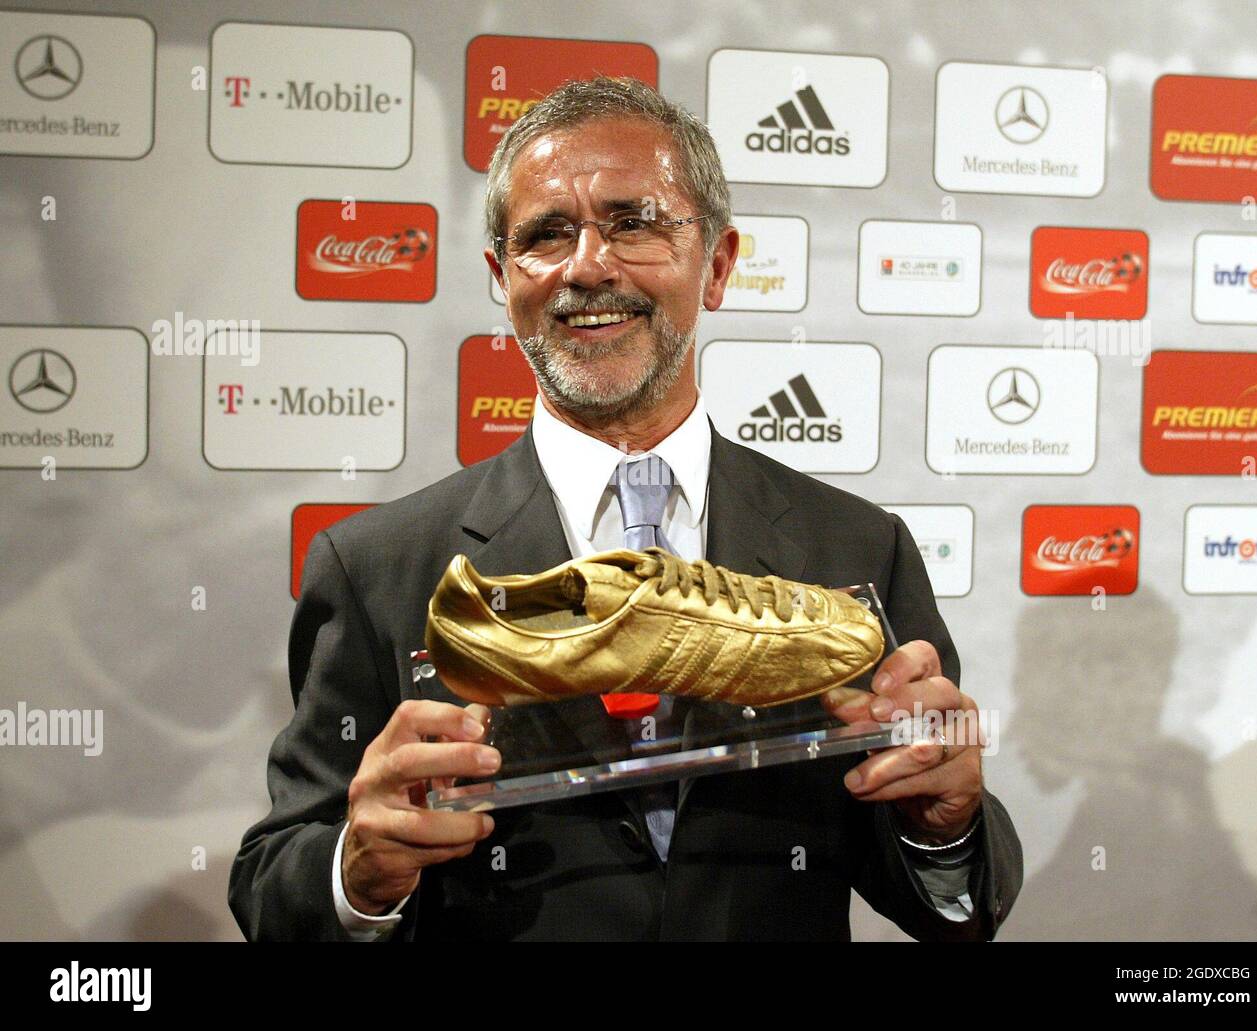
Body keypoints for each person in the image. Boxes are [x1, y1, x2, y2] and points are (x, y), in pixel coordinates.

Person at [228, 76, 1022, 942]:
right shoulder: (376, 565)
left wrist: (941, 824)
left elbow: (954, 910)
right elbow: (273, 886)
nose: (586, 266)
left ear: (717, 265)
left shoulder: (859, 547)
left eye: (633, 222)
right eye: (545, 235)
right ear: (502, 278)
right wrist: (357, 870)